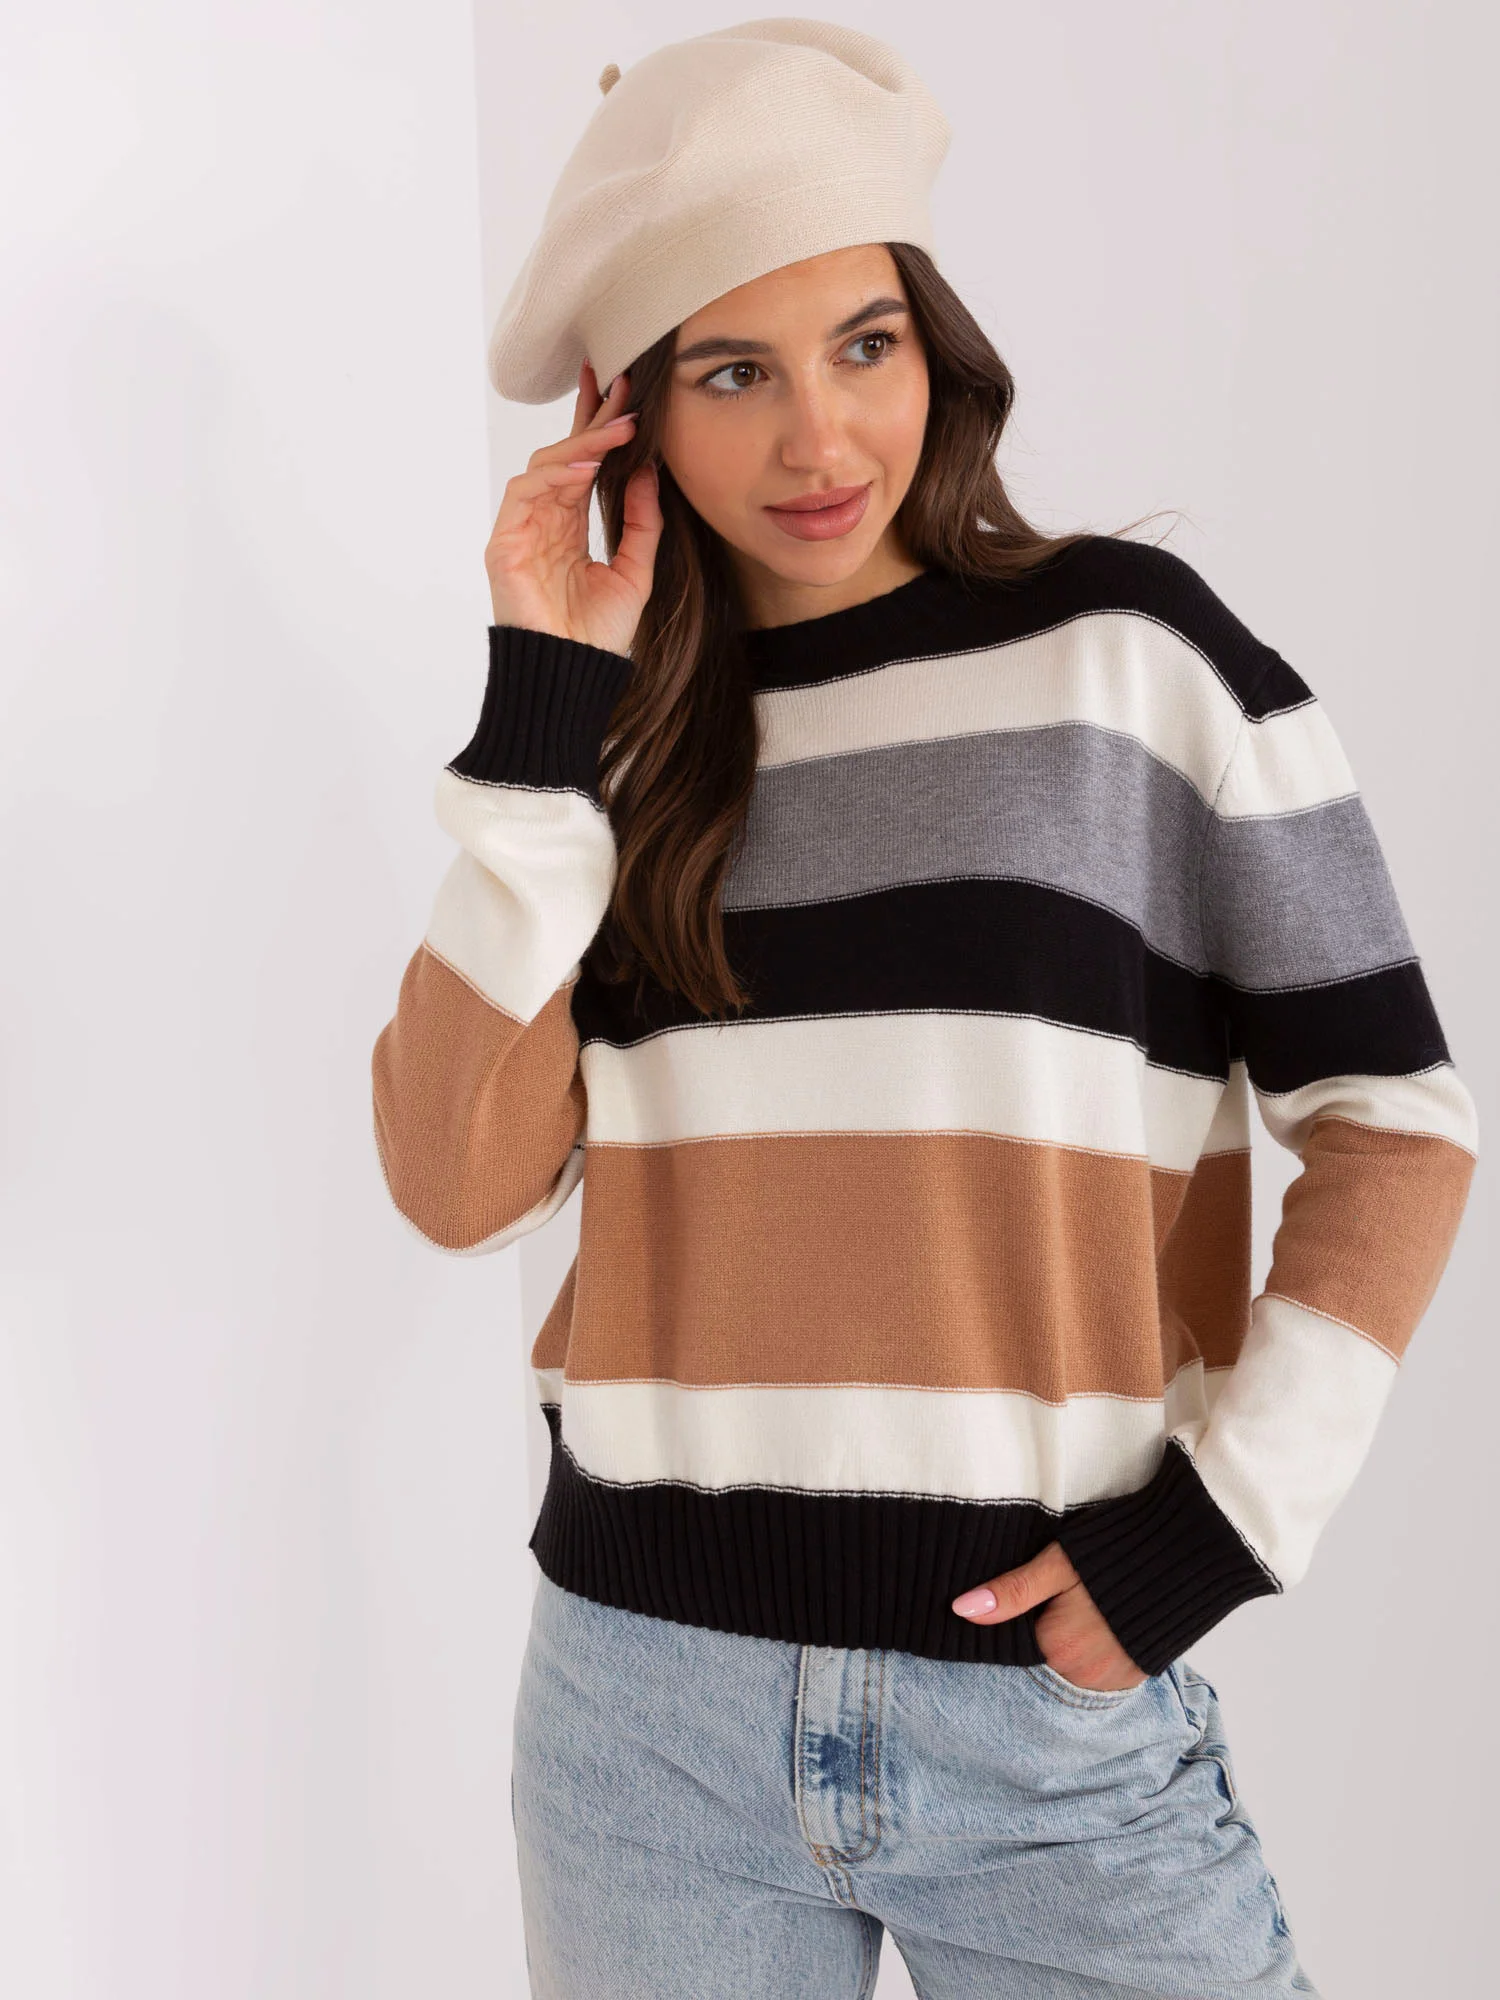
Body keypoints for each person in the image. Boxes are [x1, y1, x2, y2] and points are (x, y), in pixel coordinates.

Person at [369, 20, 1477, 1998]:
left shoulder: (1136, 659)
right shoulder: (609, 755)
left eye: (863, 344)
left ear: (934, 343)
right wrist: (544, 702)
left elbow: (1394, 1121)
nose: (821, 440)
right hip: (642, 1722)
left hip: (1042, 1724)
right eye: (734, 372)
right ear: (631, 421)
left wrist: (1219, 1527)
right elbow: (454, 1184)